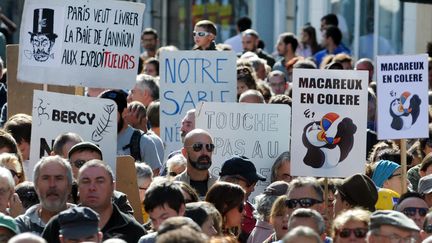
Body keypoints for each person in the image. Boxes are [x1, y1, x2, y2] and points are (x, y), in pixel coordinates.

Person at [42, 160, 146, 243]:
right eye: (86, 181)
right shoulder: (57, 226)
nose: (92, 187)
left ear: (112, 187)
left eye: (100, 181)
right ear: (78, 188)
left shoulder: (134, 231)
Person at [99, 90, 161, 175]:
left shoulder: (144, 143)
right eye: (101, 111)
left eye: (110, 112)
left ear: (124, 112)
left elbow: (154, 180)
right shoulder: (92, 139)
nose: (105, 117)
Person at [15, 156, 73, 235]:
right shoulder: (20, 227)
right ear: (36, 186)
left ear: (69, 186)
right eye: (46, 178)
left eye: (59, 178)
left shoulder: (85, 222)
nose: (52, 185)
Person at [219, 155, 266, 242]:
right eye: (250, 183)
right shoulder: (209, 214)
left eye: (254, 184)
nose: (253, 189)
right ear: (230, 182)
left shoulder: (254, 212)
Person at [174, 129, 218, 198]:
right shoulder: (174, 187)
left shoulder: (219, 186)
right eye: (198, 147)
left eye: (209, 147)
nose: (205, 153)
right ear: (184, 153)